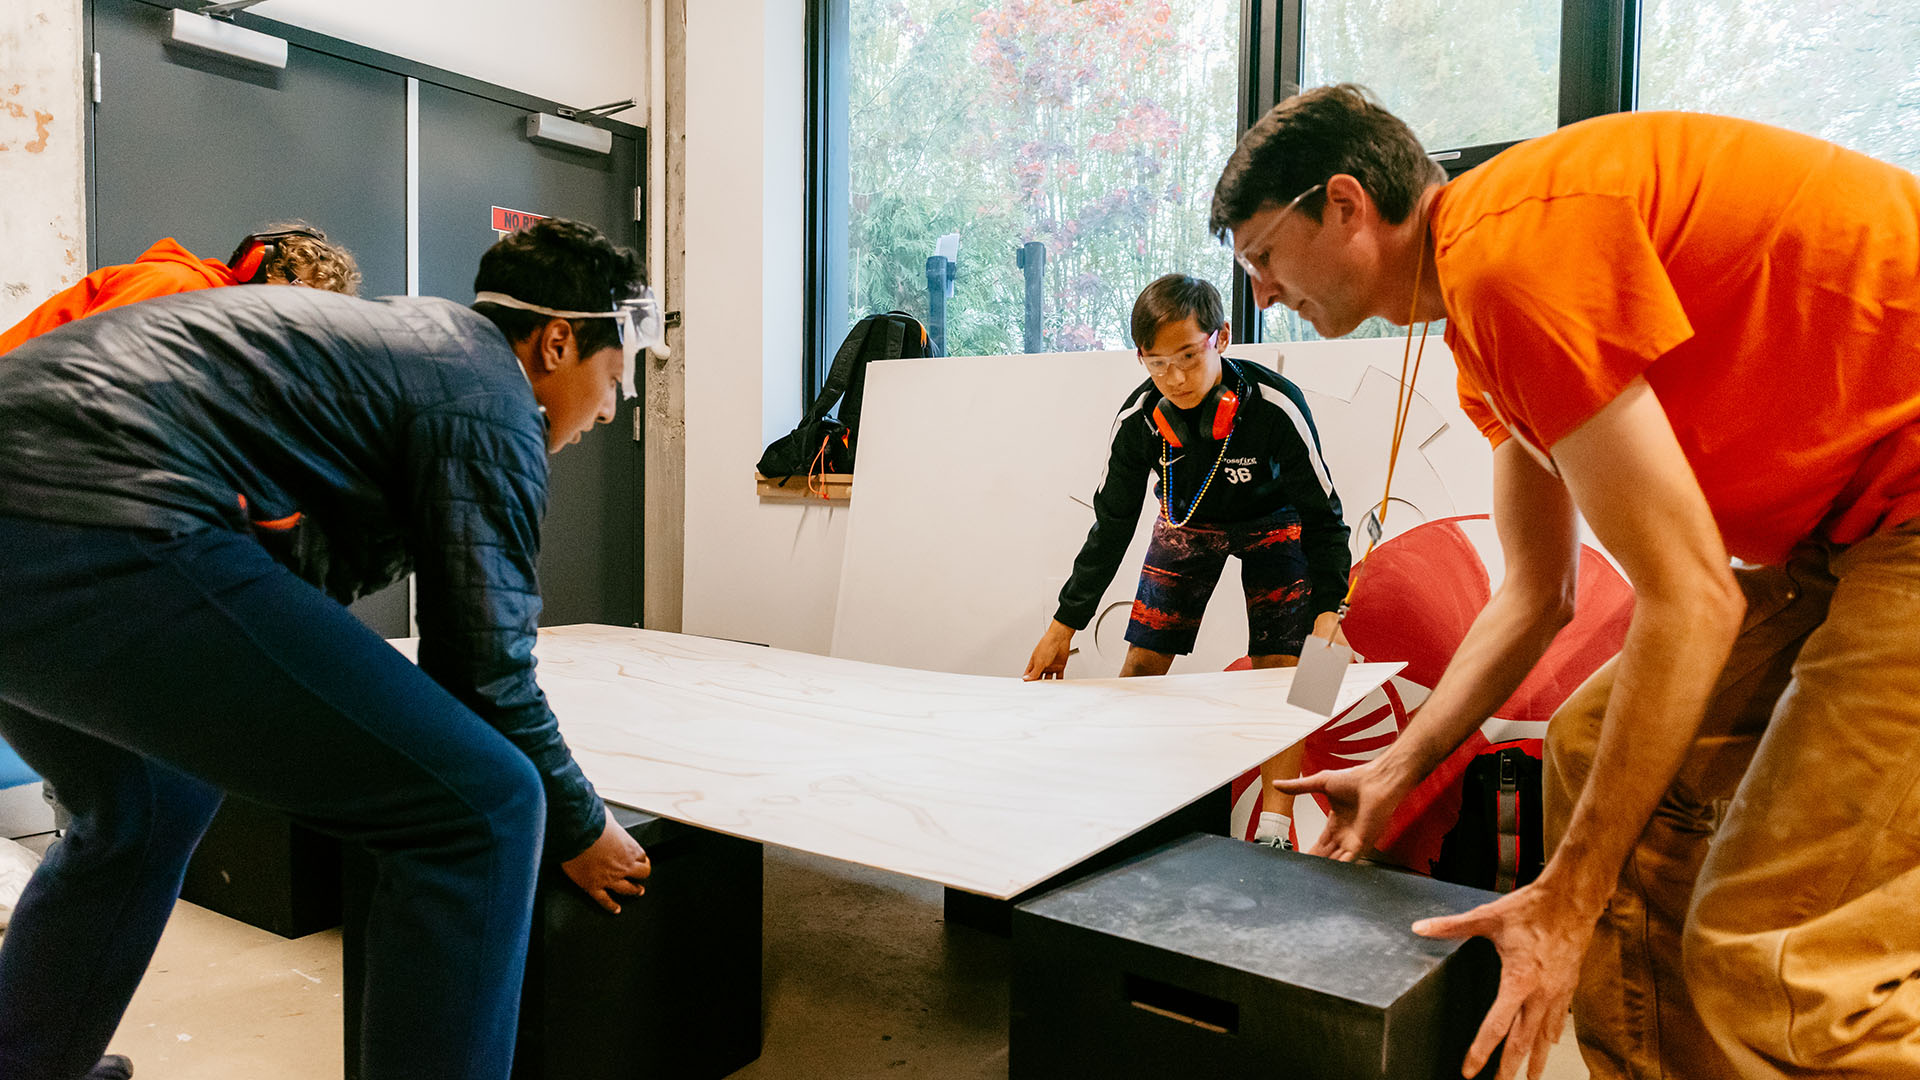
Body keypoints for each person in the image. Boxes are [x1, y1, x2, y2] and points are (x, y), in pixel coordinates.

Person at [1213, 84, 1920, 1079]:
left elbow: (1694, 598)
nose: (1264, 292)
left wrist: (1567, 898)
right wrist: (1397, 770)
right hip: (1847, 532)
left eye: (1263, 257)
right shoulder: (1481, 318)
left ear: (1343, 204)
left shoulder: (1510, 255)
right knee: (1587, 746)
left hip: (1901, 516)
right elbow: (1539, 593)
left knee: (1777, 962)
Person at [0, 217, 657, 1080]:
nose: (611, 408)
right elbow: (485, 674)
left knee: (150, 801)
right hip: (95, 512)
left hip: (40, 517)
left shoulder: (411, 354)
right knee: (484, 811)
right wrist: (582, 823)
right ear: (557, 343)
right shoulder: (488, 394)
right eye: (614, 377)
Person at [1022, 275, 1351, 830]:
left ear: (1221, 337)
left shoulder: (1275, 407)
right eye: (1157, 364)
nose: (1174, 378)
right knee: (1143, 660)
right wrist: (1064, 624)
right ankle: (1125, 812)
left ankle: (1275, 830)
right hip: (1186, 518)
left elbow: (1325, 517)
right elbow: (1112, 525)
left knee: (1287, 671)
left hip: (1275, 521)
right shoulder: (1139, 421)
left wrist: (1330, 610)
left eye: (1188, 357)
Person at [0, 223, 361, 352]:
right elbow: (89, 372)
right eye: (298, 293)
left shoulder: (226, 327)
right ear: (258, 263)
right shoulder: (175, 284)